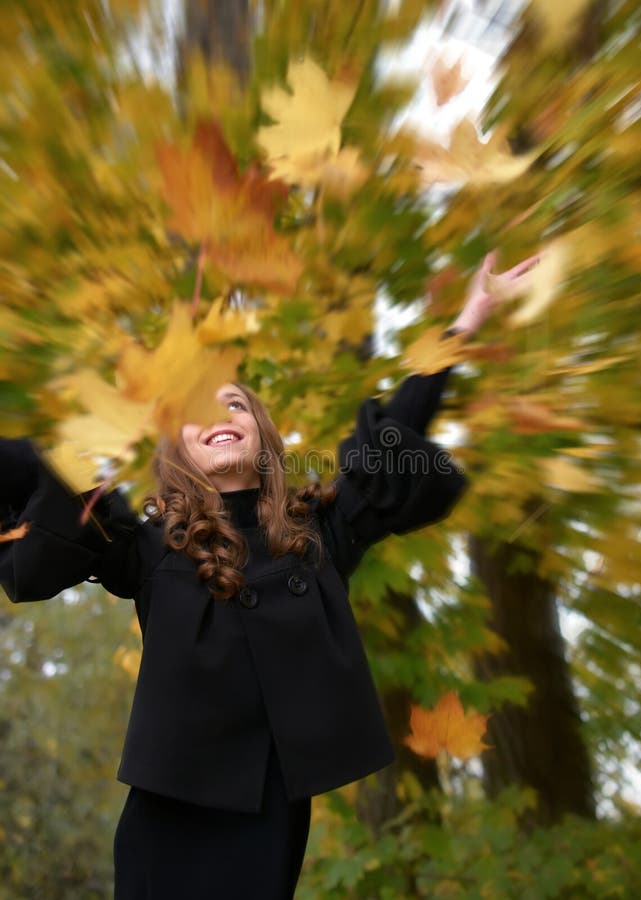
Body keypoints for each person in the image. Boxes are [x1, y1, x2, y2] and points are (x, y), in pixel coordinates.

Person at [0, 251, 537, 899]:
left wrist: (467, 320)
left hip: (269, 814)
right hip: (169, 812)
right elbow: (40, 477)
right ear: (180, 455)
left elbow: (395, 430)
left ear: (262, 437)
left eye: (236, 404)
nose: (220, 414)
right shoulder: (149, 548)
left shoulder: (317, 537)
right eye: (198, 410)